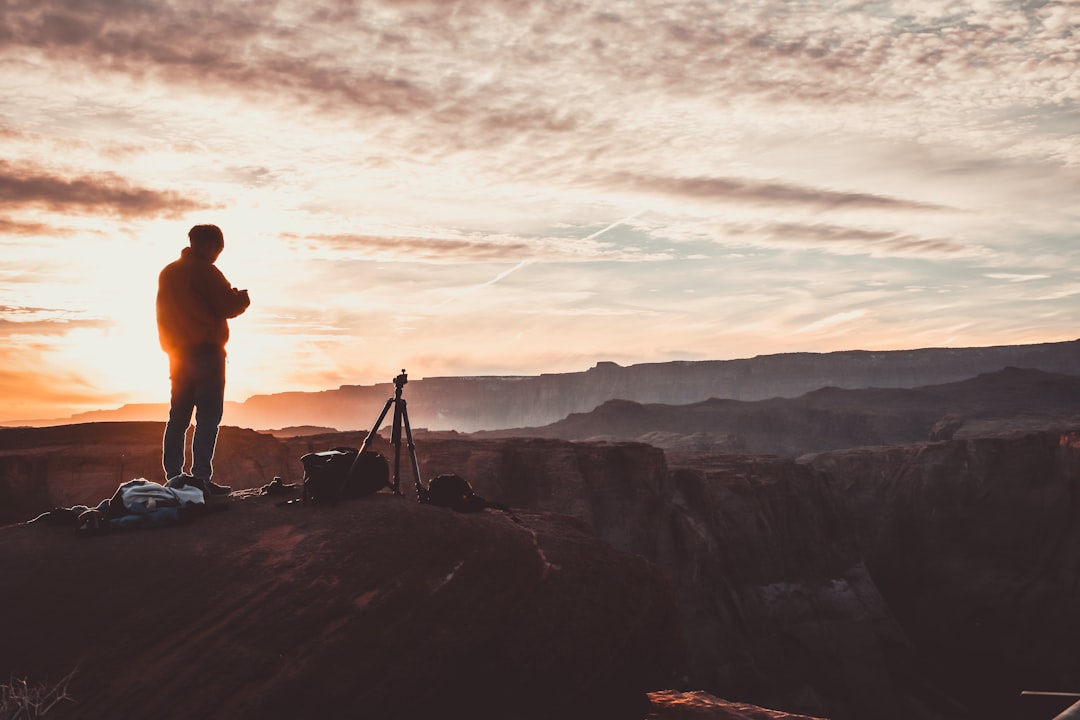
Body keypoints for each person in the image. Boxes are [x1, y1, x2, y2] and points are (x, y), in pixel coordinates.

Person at [156, 224, 250, 497]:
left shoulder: (168, 272)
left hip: (177, 354)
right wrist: (241, 298)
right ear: (210, 245)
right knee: (208, 417)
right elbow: (227, 306)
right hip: (206, 352)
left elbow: (162, 313)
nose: (218, 254)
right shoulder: (206, 270)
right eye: (218, 249)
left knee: (178, 418)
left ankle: (174, 478)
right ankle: (201, 479)